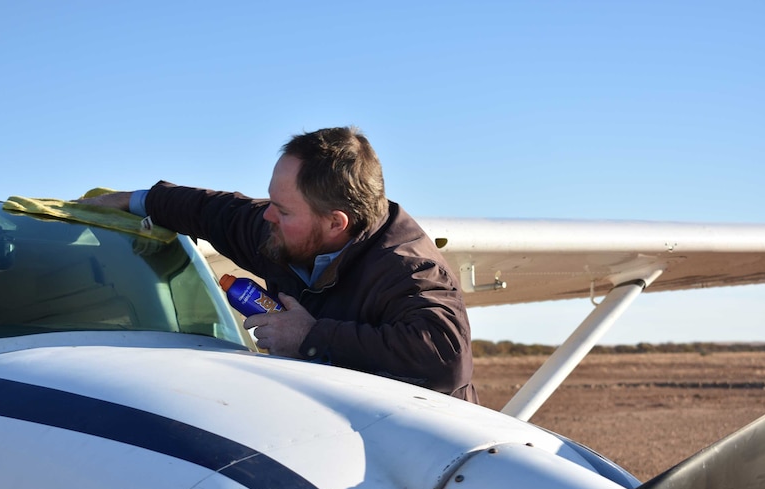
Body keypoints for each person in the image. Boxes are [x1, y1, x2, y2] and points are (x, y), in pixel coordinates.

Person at [80, 127, 477, 403]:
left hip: (426, 464)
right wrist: (138, 201)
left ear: (336, 222)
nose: (267, 216)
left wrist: (310, 336)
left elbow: (445, 357)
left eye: (283, 210)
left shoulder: (408, 269)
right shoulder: (283, 231)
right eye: (271, 200)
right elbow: (215, 211)